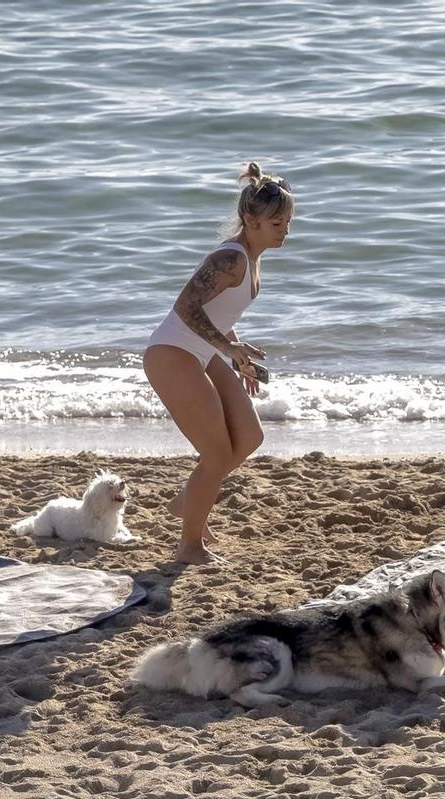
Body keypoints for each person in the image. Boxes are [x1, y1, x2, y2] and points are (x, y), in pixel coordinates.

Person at [143, 163, 292, 565]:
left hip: (204, 351)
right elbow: (185, 306)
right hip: (172, 355)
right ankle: (189, 546)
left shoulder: (250, 259)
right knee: (216, 454)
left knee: (248, 438)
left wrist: (235, 347)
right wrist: (227, 351)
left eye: (288, 221)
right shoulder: (231, 259)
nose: (285, 230)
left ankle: (188, 501)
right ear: (250, 220)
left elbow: (212, 313)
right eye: (277, 222)